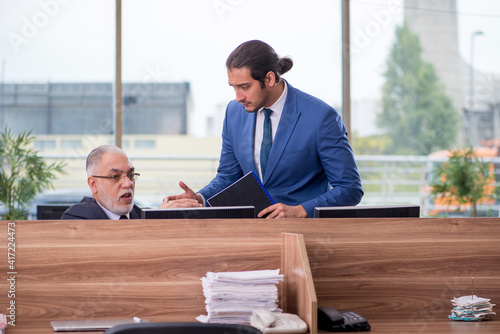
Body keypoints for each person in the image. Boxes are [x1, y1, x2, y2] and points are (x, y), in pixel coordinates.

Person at [168, 40, 363, 218]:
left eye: (244, 87)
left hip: (303, 233)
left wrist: (302, 211)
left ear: (269, 78)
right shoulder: (234, 112)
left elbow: (349, 188)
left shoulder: (321, 117)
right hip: (249, 232)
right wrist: (199, 199)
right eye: (233, 87)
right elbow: (229, 176)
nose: (238, 97)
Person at [62, 145, 201, 220]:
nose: (128, 184)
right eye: (115, 176)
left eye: (131, 175)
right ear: (93, 184)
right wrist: (156, 222)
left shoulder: (141, 215)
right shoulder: (78, 216)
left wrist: (190, 211)